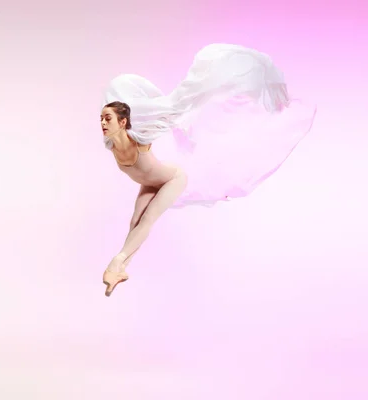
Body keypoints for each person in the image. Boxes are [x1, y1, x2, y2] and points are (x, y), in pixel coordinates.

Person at [100, 44, 316, 296]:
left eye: (108, 119)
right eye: (102, 118)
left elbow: (165, 114)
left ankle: (117, 262)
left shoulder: (139, 138)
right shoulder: (109, 143)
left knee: (147, 219)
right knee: (134, 220)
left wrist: (183, 115)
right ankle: (117, 269)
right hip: (150, 180)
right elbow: (118, 97)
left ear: (123, 122)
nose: (103, 123)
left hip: (174, 179)